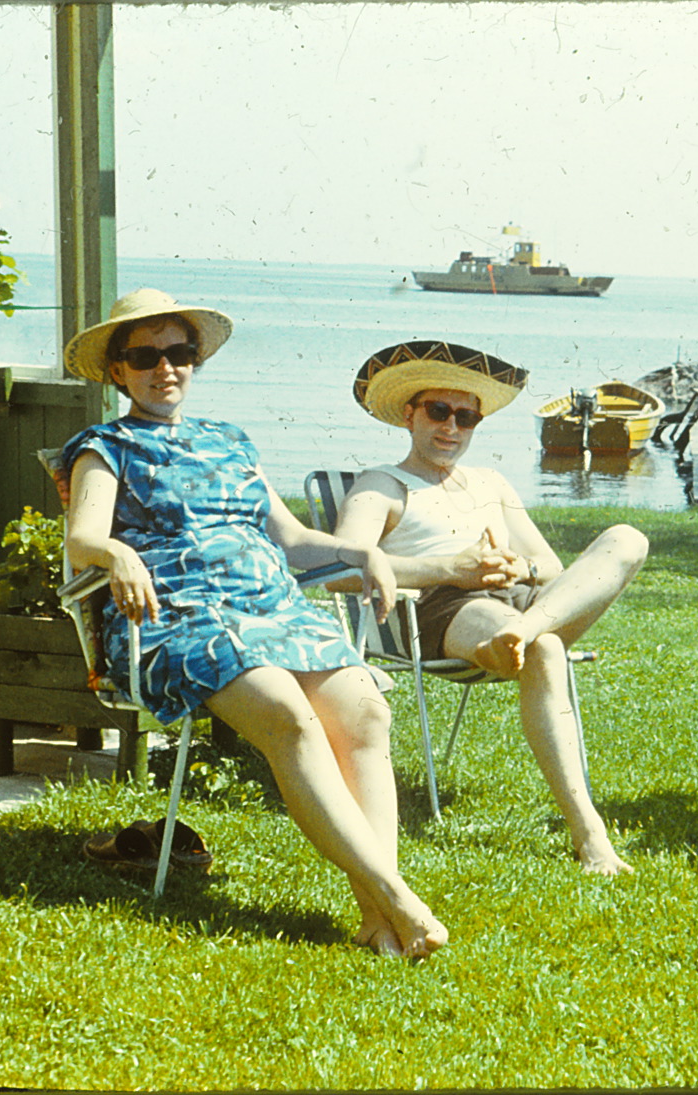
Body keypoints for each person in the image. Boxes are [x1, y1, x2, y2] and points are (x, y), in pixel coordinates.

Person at [60, 288, 447, 959]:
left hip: (271, 608)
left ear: (195, 360)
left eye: (180, 353)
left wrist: (361, 552)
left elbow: (292, 539)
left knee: (365, 713)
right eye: (145, 356)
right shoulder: (106, 447)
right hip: (176, 618)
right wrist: (118, 553)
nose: (165, 368)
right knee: (286, 715)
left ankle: (375, 911)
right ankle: (398, 898)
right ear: (118, 371)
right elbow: (82, 538)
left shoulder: (230, 442)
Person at [334, 341, 648, 876]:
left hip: (520, 603)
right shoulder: (382, 485)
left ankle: (524, 632)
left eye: (466, 417)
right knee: (546, 649)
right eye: (439, 411)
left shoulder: (490, 483)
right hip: (442, 608)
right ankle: (588, 831)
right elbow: (341, 565)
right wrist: (451, 568)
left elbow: (548, 566)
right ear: (409, 414)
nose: (451, 427)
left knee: (627, 538)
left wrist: (517, 567)